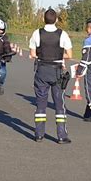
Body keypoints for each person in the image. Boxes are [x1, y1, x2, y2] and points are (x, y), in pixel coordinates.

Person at [29, 8, 73, 144]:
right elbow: (70, 55)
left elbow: (32, 54)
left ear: (43, 19)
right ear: (57, 20)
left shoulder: (37, 33)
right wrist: (59, 56)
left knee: (41, 104)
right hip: (57, 71)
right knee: (59, 104)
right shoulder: (62, 34)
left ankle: (39, 134)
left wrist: (43, 55)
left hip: (42, 70)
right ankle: (61, 136)